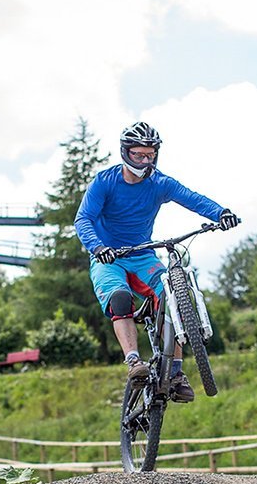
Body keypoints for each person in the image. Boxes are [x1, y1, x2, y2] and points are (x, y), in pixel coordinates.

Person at [74, 121, 239, 402]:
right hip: (109, 258)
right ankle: (134, 361)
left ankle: (175, 373)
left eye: (150, 155)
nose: (145, 160)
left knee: (173, 298)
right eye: (139, 155)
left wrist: (220, 213)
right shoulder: (105, 182)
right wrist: (98, 246)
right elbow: (83, 219)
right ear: (126, 153)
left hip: (143, 256)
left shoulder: (160, 183)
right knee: (121, 300)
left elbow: (192, 198)